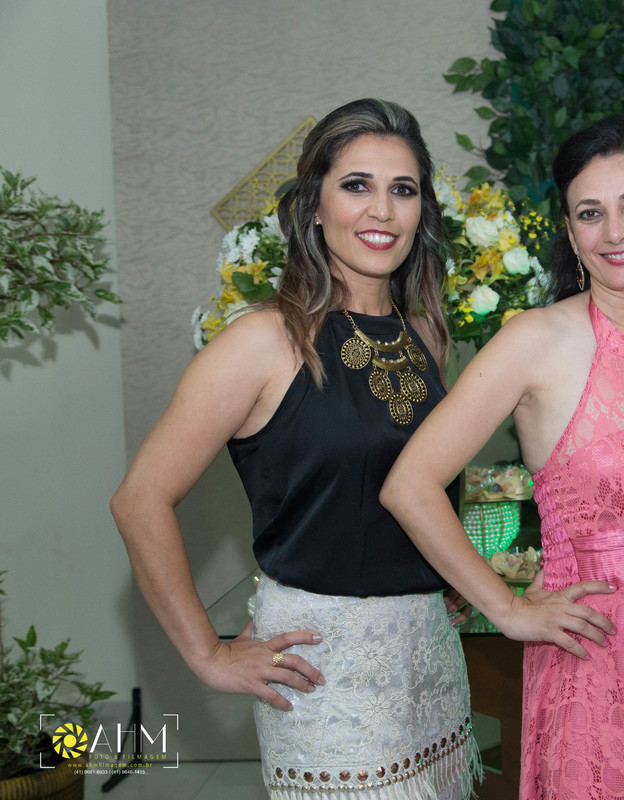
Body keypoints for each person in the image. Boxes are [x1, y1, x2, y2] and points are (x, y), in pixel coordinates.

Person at [111, 99, 481, 800]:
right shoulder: (262, 342)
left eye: (403, 190)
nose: (381, 210)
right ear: (314, 206)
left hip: (429, 663)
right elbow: (139, 500)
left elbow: (406, 486)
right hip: (321, 673)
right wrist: (208, 653)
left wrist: (447, 576)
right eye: (356, 185)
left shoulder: (426, 338)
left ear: (422, 213)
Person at [383, 116, 624, 798]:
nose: (615, 232)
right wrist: (509, 609)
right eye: (590, 213)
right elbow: (410, 484)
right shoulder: (537, 339)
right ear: (572, 234)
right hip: (590, 655)